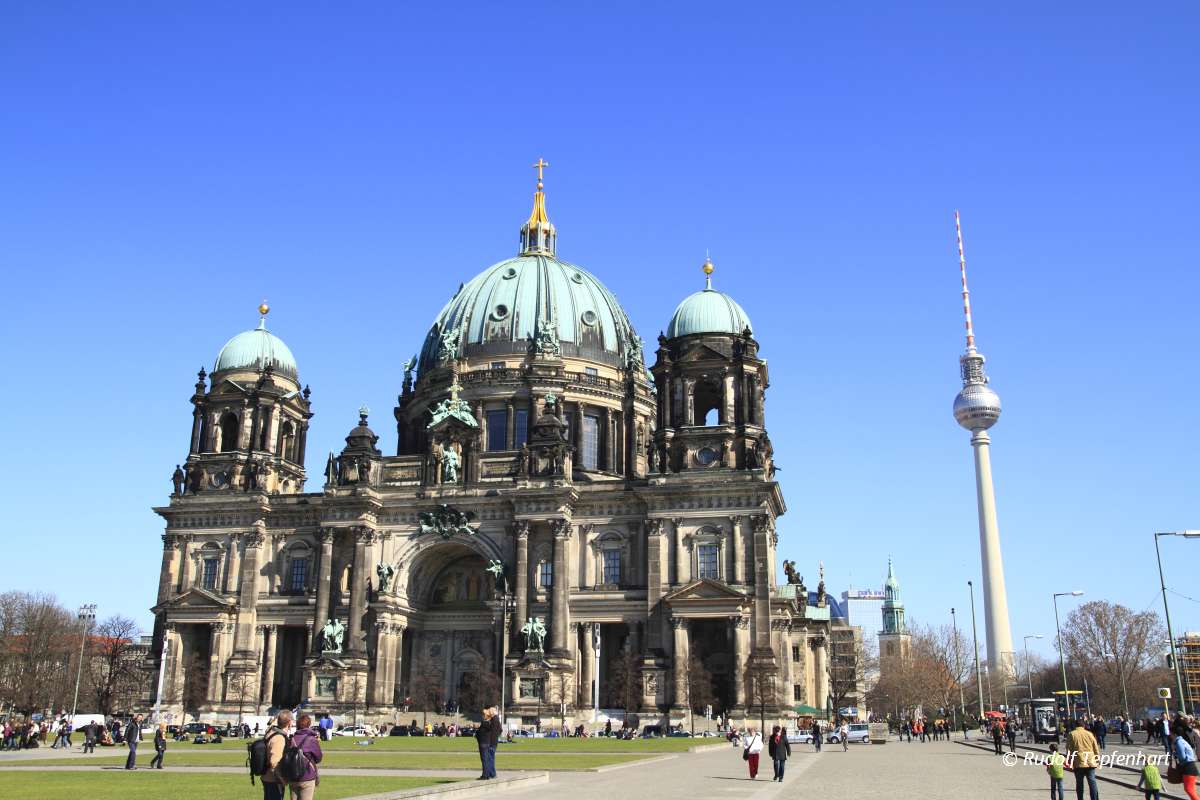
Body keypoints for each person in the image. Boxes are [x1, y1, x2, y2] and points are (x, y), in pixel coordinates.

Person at [287, 713, 323, 800]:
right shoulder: (312, 739)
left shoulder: (291, 739)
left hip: (293, 775)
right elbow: (318, 758)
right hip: (307, 775)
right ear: (309, 725)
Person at [261, 710, 294, 800]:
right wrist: (282, 779)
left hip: (267, 776)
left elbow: (273, 724)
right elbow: (274, 762)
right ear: (289, 722)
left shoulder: (271, 731)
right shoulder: (279, 738)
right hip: (273, 779)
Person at [1066, 719, 1101, 800]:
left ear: (1075, 725)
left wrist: (1069, 760)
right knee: (1092, 782)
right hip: (1090, 761)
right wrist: (1097, 758)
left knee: (1079, 783)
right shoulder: (1089, 734)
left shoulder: (1072, 734)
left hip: (1078, 762)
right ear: (1084, 725)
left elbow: (1069, 749)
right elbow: (1095, 748)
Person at [475, 707, 496, 780]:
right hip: (487, 743)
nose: (482, 716)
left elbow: (480, 734)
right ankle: (487, 774)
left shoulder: (484, 723)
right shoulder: (489, 723)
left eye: (483, 715)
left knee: (484, 760)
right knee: (486, 759)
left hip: (483, 743)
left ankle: (485, 775)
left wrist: (477, 733)